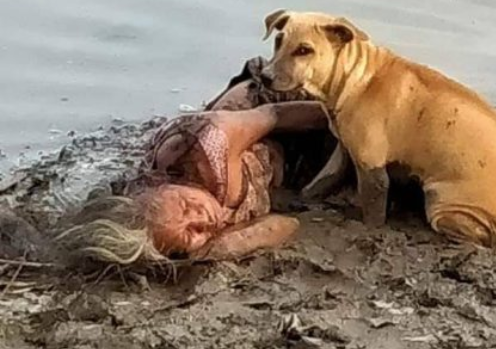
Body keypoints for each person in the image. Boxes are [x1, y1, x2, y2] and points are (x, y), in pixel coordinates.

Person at [56, 68, 331, 266]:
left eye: (186, 207)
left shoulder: (209, 144)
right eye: (190, 236)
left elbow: (273, 114)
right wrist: (218, 247)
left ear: (160, 186)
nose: (204, 219)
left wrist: (343, 118)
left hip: (281, 107)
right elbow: (286, 224)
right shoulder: (161, 218)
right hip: (278, 168)